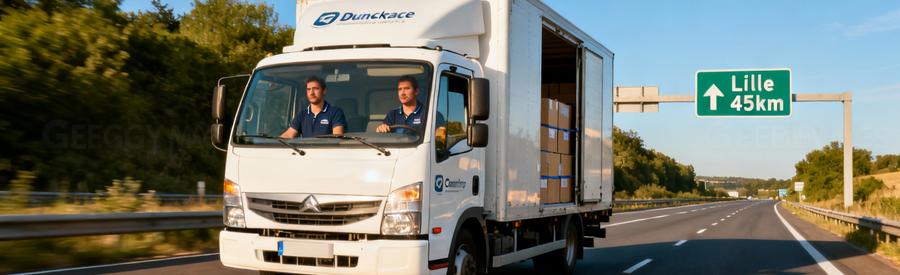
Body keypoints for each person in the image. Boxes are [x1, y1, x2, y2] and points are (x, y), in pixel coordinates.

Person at [280, 76, 346, 138]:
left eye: (315, 89)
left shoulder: (335, 112)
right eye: (308, 89)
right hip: (303, 150)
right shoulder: (302, 115)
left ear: (324, 91)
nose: (311, 93)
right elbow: (288, 135)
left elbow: (337, 138)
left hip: (326, 150)